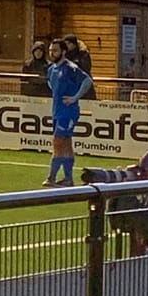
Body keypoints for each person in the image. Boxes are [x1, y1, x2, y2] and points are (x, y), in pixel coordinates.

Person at [45, 39, 93, 186]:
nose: (52, 53)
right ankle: (68, 179)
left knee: (58, 141)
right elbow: (51, 84)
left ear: (63, 52)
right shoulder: (51, 69)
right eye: (51, 50)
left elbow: (87, 81)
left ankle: (52, 177)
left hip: (68, 112)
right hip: (57, 110)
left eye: (55, 51)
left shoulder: (70, 68)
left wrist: (75, 97)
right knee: (65, 143)